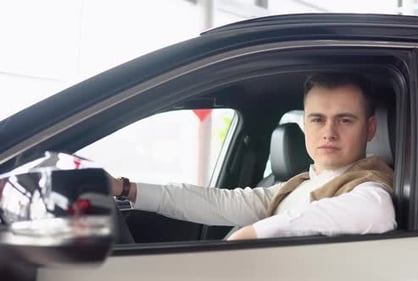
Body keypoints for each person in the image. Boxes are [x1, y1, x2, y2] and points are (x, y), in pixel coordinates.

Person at [109, 72, 397, 240]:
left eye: (345, 120)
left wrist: (249, 237)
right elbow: (219, 202)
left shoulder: (368, 186)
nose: (329, 132)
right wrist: (126, 188)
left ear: (370, 128)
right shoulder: (297, 185)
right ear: (305, 124)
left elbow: (375, 210)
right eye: (318, 119)